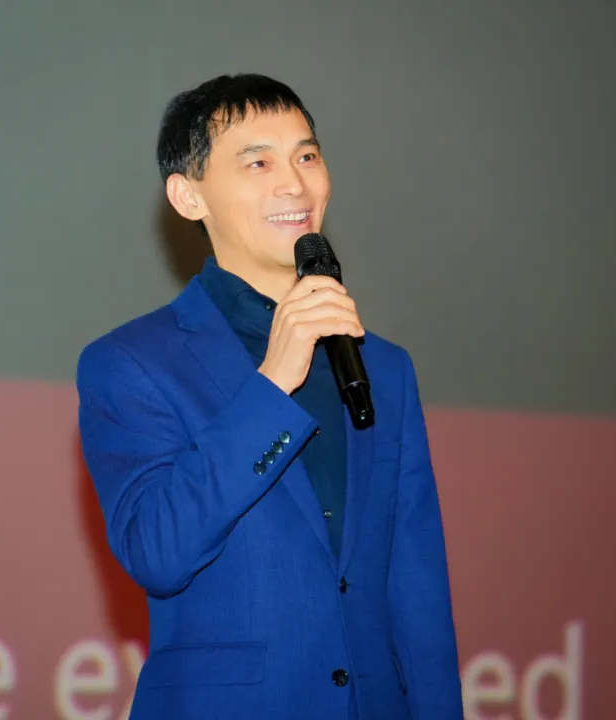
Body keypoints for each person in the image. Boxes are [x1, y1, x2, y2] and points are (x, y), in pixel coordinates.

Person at [76, 73, 462, 719]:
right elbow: (158, 552)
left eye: (306, 157)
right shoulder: (131, 364)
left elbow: (416, 592)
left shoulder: (384, 367)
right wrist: (272, 383)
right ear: (188, 196)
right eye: (258, 163)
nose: (295, 184)